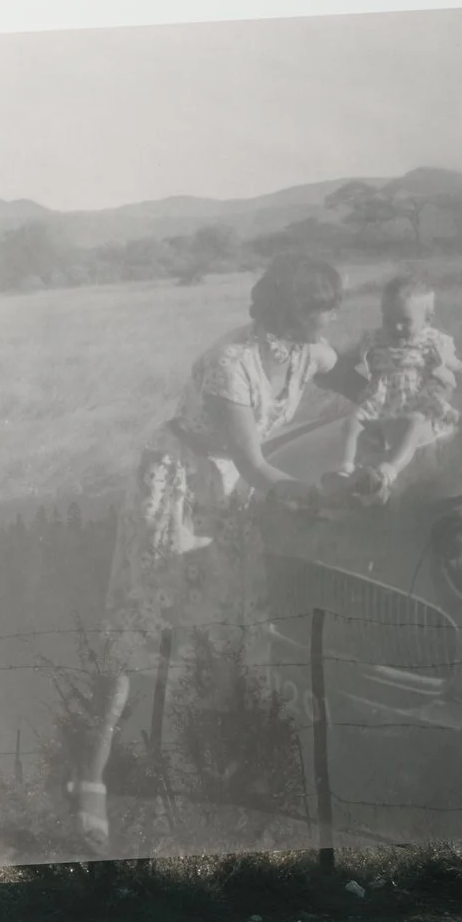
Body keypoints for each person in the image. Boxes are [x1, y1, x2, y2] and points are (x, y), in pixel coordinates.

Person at [69, 252, 347, 849]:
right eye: (316, 306)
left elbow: (349, 374)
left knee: (228, 632)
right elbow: (253, 460)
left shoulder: (307, 349)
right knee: (137, 631)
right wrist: (310, 498)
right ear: (284, 310)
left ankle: (216, 777)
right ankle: (89, 778)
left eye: (331, 303)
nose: (329, 316)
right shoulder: (232, 362)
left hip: (228, 494)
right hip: (175, 484)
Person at [334, 272, 462, 500]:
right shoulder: (377, 339)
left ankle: (386, 473)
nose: (396, 327)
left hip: (414, 402)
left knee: (415, 424)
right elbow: (346, 358)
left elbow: (460, 367)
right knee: (352, 422)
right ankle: (345, 470)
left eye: (405, 321)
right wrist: (324, 356)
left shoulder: (431, 343)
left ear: (427, 320)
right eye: (388, 320)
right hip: (381, 402)